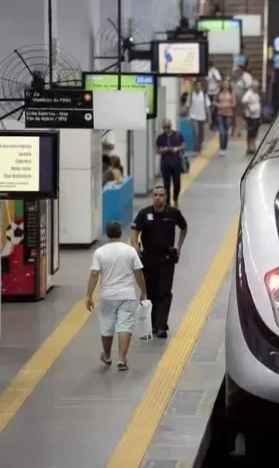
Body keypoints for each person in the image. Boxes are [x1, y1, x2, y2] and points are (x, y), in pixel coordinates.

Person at [85, 221, 147, 371]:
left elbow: (94, 274)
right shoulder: (130, 251)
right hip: (127, 294)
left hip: (107, 295)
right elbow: (138, 273)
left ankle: (107, 356)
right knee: (125, 326)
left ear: (107, 234)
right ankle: (121, 359)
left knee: (106, 327)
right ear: (120, 233)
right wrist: (143, 292)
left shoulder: (100, 252)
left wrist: (88, 295)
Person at [130, 186, 188, 339]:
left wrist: (178, 246)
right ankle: (153, 324)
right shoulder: (144, 213)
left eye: (161, 195)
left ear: (166, 197)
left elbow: (184, 227)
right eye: (155, 195)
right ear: (152, 197)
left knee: (164, 291)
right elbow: (135, 230)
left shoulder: (173, 213)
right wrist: (135, 246)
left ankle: (162, 326)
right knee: (150, 291)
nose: (158, 198)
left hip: (166, 260)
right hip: (148, 259)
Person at [155, 119, 186, 207]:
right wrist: (162, 150)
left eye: (167, 127)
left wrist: (177, 149)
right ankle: (167, 203)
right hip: (165, 163)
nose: (166, 130)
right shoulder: (160, 138)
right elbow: (157, 150)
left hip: (176, 162)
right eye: (164, 128)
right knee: (166, 184)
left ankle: (175, 198)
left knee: (177, 184)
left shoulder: (178, 135)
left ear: (171, 127)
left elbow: (183, 146)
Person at [184, 80, 211, 153]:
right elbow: (187, 106)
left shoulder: (204, 95)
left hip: (202, 117)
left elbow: (207, 107)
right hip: (193, 117)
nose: (198, 87)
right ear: (194, 86)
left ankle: (199, 146)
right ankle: (196, 150)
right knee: (195, 133)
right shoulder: (191, 95)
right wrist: (187, 116)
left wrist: (209, 117)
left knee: (201, 135)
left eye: (199, 85)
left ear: (201, 87)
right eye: (197, 85)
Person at [214, 78, 235, 154]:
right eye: (224, 84)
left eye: (227, 84)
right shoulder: (219, 93)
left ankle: (225, 146)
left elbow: (234, 104)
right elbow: (214, 101)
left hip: (228, 114)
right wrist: (218, 105)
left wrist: (227, 105)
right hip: (220, 114)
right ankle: (221, 148)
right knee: (221, 132)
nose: (225, 85)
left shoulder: (231, 94)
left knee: (226, 132)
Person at [241, 80, 262, 154]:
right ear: (252, 87)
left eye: (257, 87)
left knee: (255, 132)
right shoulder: (249, 94)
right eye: (255, 87)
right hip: (251, 116)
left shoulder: (256, 94)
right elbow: (244, 101)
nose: (257, 88)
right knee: (251, 132)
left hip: (256, 115)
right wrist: (249, 109)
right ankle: (250, 147)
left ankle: (253, 146)